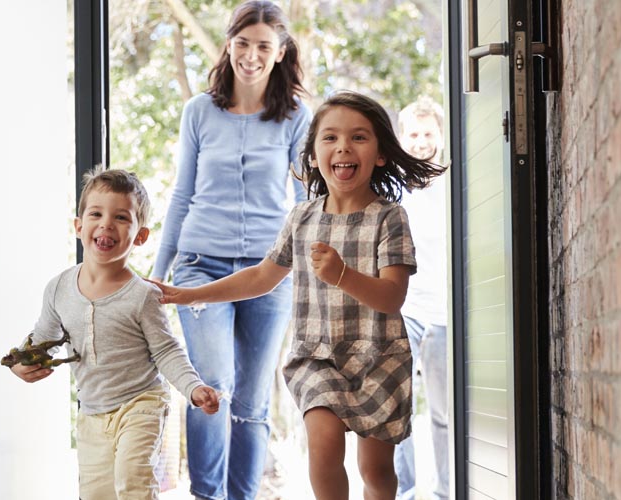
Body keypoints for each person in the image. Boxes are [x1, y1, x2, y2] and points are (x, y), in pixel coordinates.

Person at [155, 91, 446, 500]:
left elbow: (392, 297)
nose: (343, 146)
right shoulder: (302, 218)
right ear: (312, 155)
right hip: (318, 357)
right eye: (330, 138)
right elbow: (260, 277)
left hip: (380, 359)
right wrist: (187, 294)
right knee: (324, 448)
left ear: (380, 154)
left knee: (376, 471)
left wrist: (342, 273)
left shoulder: (390, 217)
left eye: (358, 137)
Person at [149, 1, 311, 498]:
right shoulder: (200, 111)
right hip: (200, 266)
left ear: (280, 52)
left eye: (264, 46)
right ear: (228, 45)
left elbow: (306, 199)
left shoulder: (296, 117)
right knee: (211, 385)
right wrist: (160, 272)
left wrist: (305, 270)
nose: (251, 55)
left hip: (270, 271)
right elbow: (181, 194)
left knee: (253, 398)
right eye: (243, 43)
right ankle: (207, 495)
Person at [9, 167, 221, 500]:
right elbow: (43, 337)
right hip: (92, 412)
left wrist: (192, 387)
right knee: (97, 494)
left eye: (121, 217)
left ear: (140, 236)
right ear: (79, 226)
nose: (106, 224)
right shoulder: (59, 289)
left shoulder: (143, 296)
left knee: (132, 481)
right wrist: (21, 362)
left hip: (141, 403)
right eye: (96, 213)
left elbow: (166, 351)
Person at [392, 96, 450, 500]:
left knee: (445, 413)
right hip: (404, 310)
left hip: (447, 313)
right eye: (413, 134)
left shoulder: (457, 182)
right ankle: (406, 492)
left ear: (441, 136)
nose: (421, 141)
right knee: (399, 410)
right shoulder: (393, 188)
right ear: (402, 137)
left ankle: (448, 491)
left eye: (428, 133)